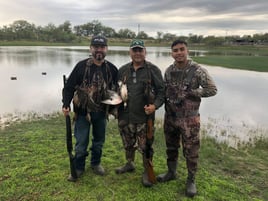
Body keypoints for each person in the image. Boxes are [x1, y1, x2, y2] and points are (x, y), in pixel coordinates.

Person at [156, 39, 217, 197]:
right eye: (175, 50)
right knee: (171, 147)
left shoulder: (197, 70)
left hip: (190, 120)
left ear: (187, 50)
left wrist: (195, 92)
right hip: (170, 117)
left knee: (191, 151)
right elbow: (165, 91)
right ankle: (171, 172)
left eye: (181, 49)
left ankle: (191, 180)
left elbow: (212, 89)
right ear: (172, 53)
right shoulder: (168, 71)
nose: (179, 53)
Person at [62, 35, 118, 181]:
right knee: (81, 143)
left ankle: (96, 163)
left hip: (101, 112)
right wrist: (66, 104)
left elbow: (118, 91)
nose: (99, 50)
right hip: (82, 113)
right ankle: (79, 167)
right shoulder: (81, 66)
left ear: (106, 49)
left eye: (102, 47)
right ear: (91, 49)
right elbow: (68, 87)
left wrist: (118, 108)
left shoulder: (111, 69)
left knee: (99, 141)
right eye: (96, 47)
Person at [115, 39, 165, 187]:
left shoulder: (153, 70)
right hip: (125, 116)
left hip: (144, 117)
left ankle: (147, 170)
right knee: (128, 143)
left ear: (145, 52)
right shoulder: (122, 70)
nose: (137, 53)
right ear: (130, 52)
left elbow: (162, 92)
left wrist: (155, 106)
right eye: (134, 50)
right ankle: (129, 163)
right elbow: (116, 90)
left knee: (145, 146)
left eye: (140, 50)